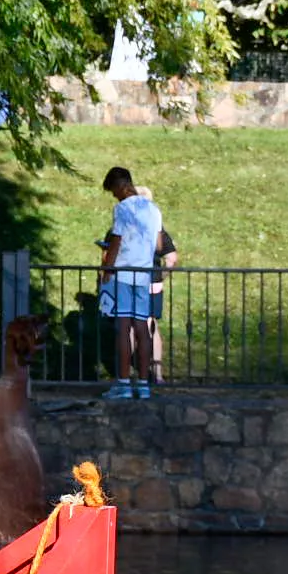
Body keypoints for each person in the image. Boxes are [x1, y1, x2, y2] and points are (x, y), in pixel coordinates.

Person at [97, 167, 163, 401]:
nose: (114, 196)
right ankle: (144, 384)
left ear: (120, 185)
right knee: (143, 328)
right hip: (144, 273)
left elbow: (116, 240)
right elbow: (158, 244)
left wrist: (107, 269)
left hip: (123, 274)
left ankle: (124, 383)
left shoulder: (123, 208)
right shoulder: (154, 209)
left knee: (123, 327)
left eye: (113, 191)